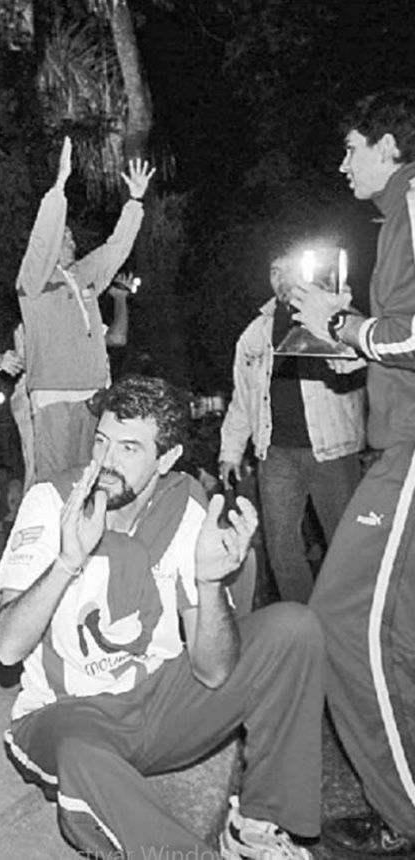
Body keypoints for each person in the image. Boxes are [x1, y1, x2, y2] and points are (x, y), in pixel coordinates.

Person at [0, 374, 322, 858]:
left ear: (166, 459)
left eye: (129, 449)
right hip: (67, 717)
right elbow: (6, 646)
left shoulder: (186, 505)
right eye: (101, 442)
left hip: (158, 705)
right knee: (81, 753)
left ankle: (256, 825)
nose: (105, 461)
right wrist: (66, 562)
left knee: (294, 628)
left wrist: (209, 583)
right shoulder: (52, 500)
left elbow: (213, 671)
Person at [289, 88, 415, 856]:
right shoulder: (395, 218)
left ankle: (403, 808)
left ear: (390, 144)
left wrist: (344, 325)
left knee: (337, 618)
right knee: (396, 637)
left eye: (351, 147)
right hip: (397, 439)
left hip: (411, 451)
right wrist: (348, 343)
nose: (342, 164)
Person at [219, 251, 365, 603]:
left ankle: (352, 622)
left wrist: (336, 320)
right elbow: (243, 397)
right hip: (275, 452)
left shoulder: (336, 314)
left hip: (331, 449)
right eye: (274, 271)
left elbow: (362, 360)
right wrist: (230, 451)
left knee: (346, 545)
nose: (282, 278)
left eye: (289, 269)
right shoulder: (256, 333)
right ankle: (302, 625)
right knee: (282, 548)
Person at [16, 136, 154, 482]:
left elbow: (116, 248)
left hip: (94, 396)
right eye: (64, 237)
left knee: (89, 481)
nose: (71, 241)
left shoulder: (84, 276)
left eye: (72, 237)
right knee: (55, 485)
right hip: (55, 398)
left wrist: (135, 202)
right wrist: (59, 188)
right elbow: (41, 241)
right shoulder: (33, 281)